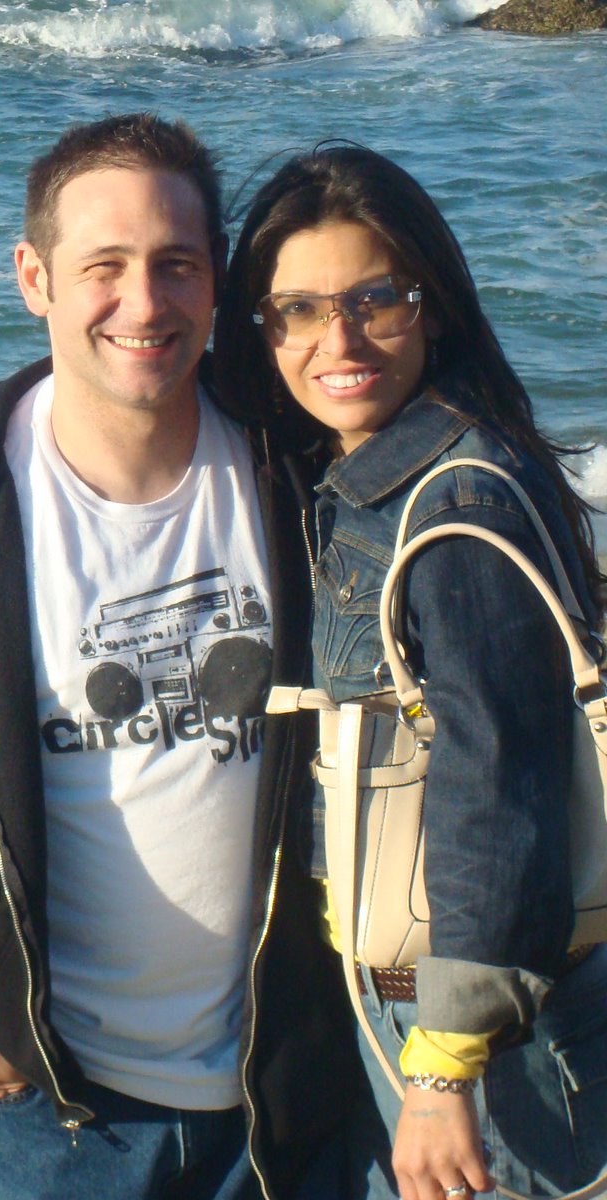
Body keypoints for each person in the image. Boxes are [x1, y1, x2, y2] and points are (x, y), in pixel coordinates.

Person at [0, 112, 360, 1200]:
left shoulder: (299, 476)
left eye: (175, 264)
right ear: (34, 278)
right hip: (44, 1111)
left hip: (283, 1099)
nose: (143, 303)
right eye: (104, 266)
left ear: (217, 279)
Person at [213, 144, 607, 1200]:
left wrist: (442, 1068)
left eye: (373, 300)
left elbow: (498, 786)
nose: (336, 341)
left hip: (484, 1038)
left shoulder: (454, 505)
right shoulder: (374, 469)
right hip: (430, 1006)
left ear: (431, 304)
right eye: (297, 310)